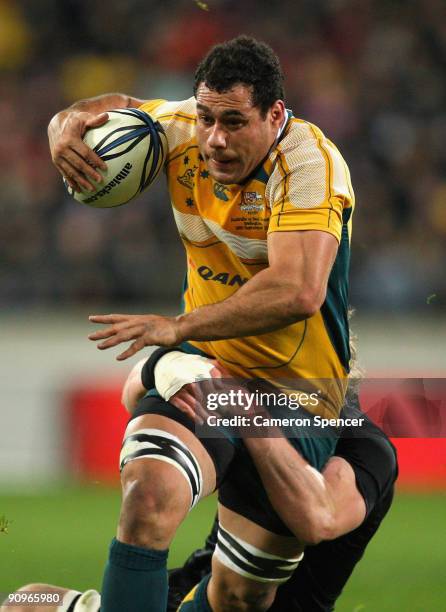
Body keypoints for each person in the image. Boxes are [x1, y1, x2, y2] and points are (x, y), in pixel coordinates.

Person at [48, 36, 355, 611]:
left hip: (295, 397)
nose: (214, 137)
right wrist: (63, 124)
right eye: (207, 117)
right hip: (208, 374)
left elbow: (299, 290)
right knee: (148, 496)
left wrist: (178, 327)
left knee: (238, 598)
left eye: (234, 122)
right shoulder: (185, 125)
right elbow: (115, 105)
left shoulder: (308, 163)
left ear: (275, 115)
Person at [2, 351, 397, 612]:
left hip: (248, 603)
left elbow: (317, 518)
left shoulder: (365, 449)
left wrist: (252, 421)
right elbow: (139, 399)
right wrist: (160, 363)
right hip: (193, 590)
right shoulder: (249, 388)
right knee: (24, 601)